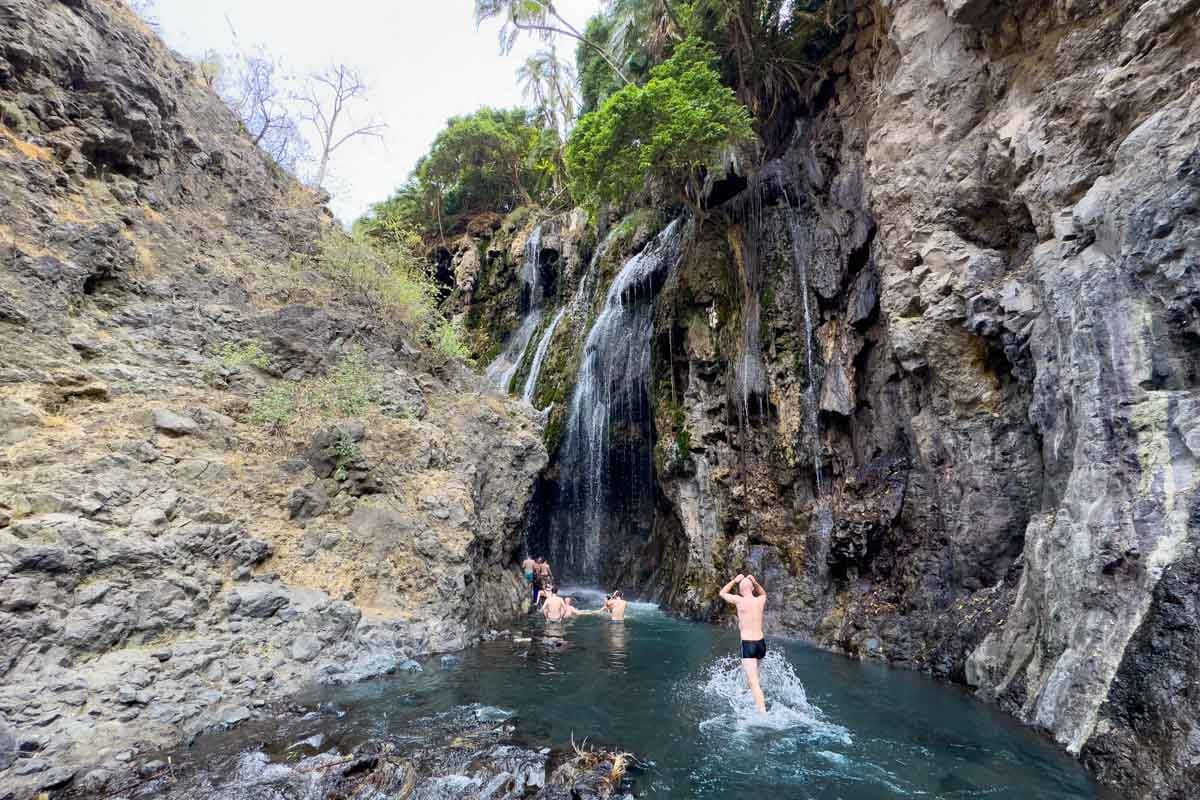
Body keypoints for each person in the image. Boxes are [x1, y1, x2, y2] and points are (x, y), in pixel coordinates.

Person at [719, 573, 768, 714]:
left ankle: (763, 714)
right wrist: (755, 582)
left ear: (740, 590)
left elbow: (722, 593)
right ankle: (750, 696)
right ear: (752, 588)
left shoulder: (739, 600)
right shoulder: (761, 600)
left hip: (748, 645)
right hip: (761, 644)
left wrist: (735, 580)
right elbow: (763, 592)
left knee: (754, 682)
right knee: (755, 676)